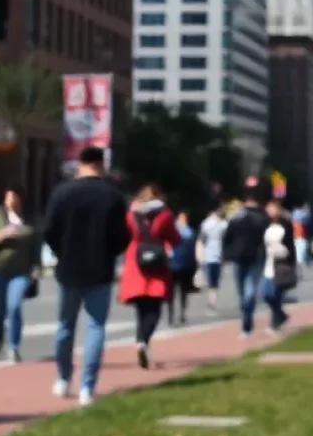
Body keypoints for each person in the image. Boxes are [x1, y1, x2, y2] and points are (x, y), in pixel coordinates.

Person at [43, 145, 132, 405]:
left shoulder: (62, 193)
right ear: (101, 164)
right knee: (95, 327)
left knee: (65, 326)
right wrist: (108, 253)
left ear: (80, 163)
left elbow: (49, 230)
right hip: (100, 269)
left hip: (68, 268)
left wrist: (61, 251)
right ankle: (87, 387)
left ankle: (62, 377)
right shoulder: (113, 197)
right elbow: (123, 237)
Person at [118, 185, 181, 370]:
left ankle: (141, 343)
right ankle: (144, 342)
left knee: (141, 310)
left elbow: (122, 236)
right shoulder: (165, 215)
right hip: (156, 265)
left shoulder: (130, 215)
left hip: (135, 265)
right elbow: (175, 239)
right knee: (154, 310)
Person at [0, 186, 38, 364]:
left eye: (14, 197)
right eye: (8, 197)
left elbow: (35, 244)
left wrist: (36, 267)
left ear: (21, 199)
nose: (11, 201)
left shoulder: (29, 219)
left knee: (14, 307)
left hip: (20, 273)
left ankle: (13, 347)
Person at [222, 178, 269, 336]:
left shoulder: (262, 216)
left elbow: (266, 236)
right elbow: (228, 235)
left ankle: (246, 323)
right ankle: (246, 317)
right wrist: (228, 252)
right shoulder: (237, 216)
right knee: (242, 293)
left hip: (255, 258)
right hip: (239, 258)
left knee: (249, 293)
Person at [262, 199, 294, 333]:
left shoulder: (285, 225)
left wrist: (283, 252)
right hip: (268, 263)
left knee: (276, 294)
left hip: (281, 264)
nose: (269, 211)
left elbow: (290, 245)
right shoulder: (265, 225)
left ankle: (275, 324)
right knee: (266, 294)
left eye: (272, 208)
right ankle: (281, 315)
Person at [167, 209, 198, 327]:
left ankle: (180, 314)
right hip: (176, 264)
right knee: (175, 292)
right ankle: (175, 315)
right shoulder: (189, 232)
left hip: (182, 264)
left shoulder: (189, 232)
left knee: (181, 291)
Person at [198, 203, 227, 315]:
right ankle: (211, 303)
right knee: (214, 282)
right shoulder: (223, 224)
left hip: (208, 256)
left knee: (211, 282)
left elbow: (201, 240)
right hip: (217, 255)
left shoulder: (206, 224)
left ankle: (211, 303)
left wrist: (199, 256)